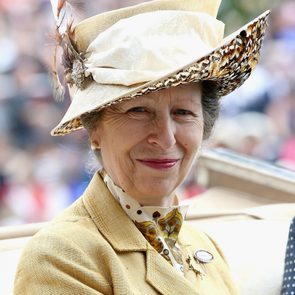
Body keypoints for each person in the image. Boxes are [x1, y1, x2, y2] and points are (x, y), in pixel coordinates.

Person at [13, 0, 270, 294]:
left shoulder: (206, 249)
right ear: (94, 128)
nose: (166, 138)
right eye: (138, 111)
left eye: (183, 113)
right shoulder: (59, 258)